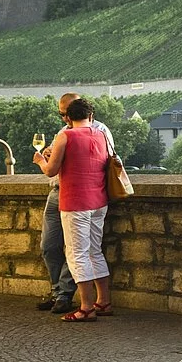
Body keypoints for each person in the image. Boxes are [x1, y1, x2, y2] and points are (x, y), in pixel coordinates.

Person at [35, 96, 113, 322]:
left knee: (76, 254)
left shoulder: (65, 136)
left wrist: (40, 160)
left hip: (75, 201)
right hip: (98, 200)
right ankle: (104, 301)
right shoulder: (100, 134)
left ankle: (86, 307)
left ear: (68, 118)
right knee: (94, 251)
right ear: (91, 115)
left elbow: (51, 170)